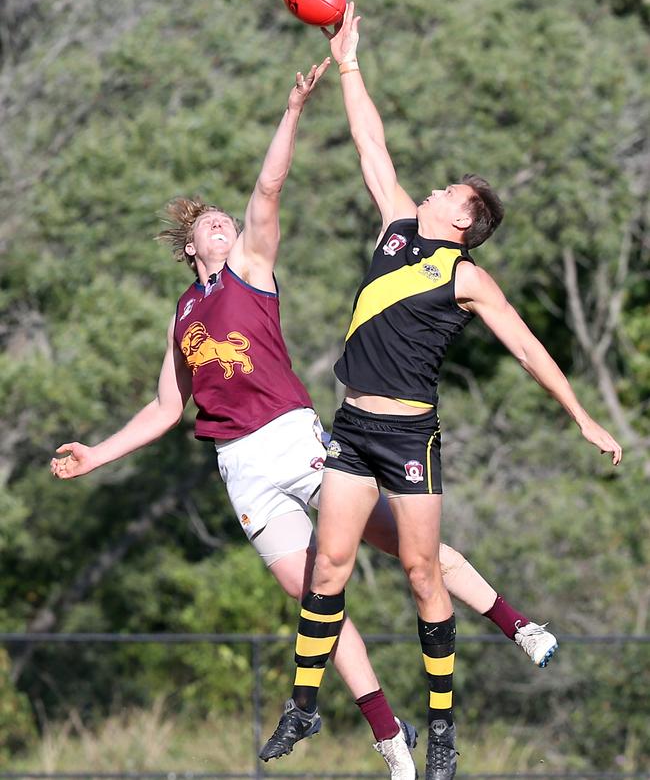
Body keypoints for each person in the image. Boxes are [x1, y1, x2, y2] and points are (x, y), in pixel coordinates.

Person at [51, 60, 556, 780]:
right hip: (240, 470)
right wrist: (97, 454)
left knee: (410, 552)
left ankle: (515, 621)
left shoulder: (252, 268)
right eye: (209, 225)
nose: (222, 223)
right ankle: (390, 735)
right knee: (313, 594)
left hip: (296, 439)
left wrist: (292, 109)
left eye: (225, 219)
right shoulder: (183, 314)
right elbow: (169, 406)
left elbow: (267, 188)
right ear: (191, 247)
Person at [261, 3, 623, 780]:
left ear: (466, 218)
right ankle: (302, 704)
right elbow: (370, 141)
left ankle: (444, 730)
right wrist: (349, 60)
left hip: (408, 440)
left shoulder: (465, 275)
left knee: (425, 574)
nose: (434, 189)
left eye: (450, 191)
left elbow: (527, 348)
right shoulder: (396, 223)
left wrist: (584, 416)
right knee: (329, 571)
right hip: (352, 429)